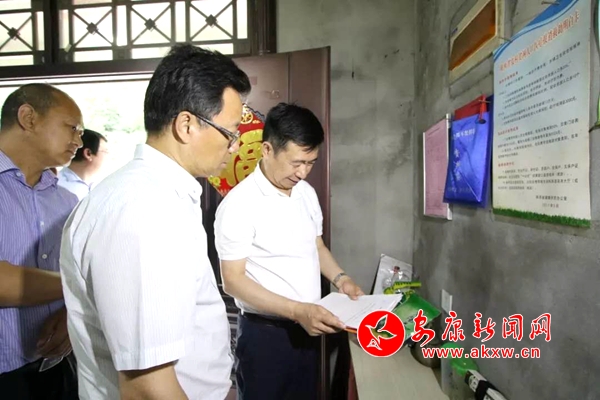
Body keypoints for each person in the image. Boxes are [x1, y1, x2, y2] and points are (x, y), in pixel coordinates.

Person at [60, 44, 251, 400]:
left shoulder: (163, 196)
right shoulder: (143, 211)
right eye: (230, 133)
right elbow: (148, 387)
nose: (235, 146)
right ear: (186, 125)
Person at [215, 102, 364, 400]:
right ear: (267, 149)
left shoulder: (306, 194)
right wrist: (297, 311)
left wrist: (341, 279)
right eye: (296, 162)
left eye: (311, 163)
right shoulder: (238, 205)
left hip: (308, 329)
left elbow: (316, 245)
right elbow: (233, 281)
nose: (303, 172)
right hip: (264, 336)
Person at [0, 83, 83, 399]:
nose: (78, 140)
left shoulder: (67, 201)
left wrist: (71, 313)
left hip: (56, 366)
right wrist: (79, 287)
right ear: (28, 118)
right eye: (71, 127)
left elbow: (78, 268)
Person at [58, 128, 108, 200]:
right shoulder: (59, 187)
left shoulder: (99, 185)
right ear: (88, 154)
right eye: (105, 151)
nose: (108, 156)